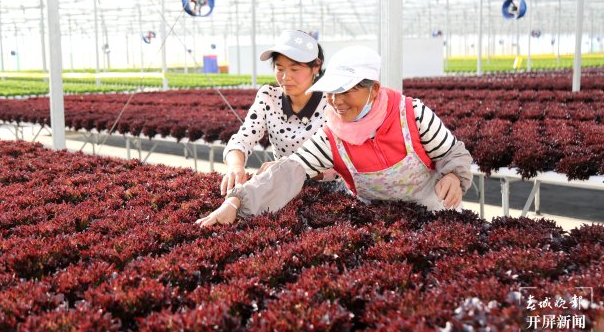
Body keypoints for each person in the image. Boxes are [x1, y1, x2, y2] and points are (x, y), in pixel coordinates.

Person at [197, 45, 473, 227]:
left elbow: (452, 153)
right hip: (379, 222)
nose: (336, 101)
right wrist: (235, 202)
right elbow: (291, 170)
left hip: (434, 212)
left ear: (374, 89)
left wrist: (454, 176)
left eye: (346, 91)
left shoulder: (411, 115)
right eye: (331, 93)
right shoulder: (332, 135)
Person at [220, 30, 331, 195]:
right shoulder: (269, 97)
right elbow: (242, 139)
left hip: (328, 192)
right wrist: (236, 166)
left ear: (316, 66)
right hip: (282, 189)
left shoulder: (331, 102)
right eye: (280, 68)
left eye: (295, 69)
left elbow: (345, 162)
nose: (286, 77)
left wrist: (290, 168)